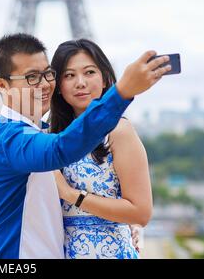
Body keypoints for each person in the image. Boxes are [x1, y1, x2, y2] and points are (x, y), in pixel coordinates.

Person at [0, 33, 171, 259]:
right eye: (32, 77)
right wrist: (122, 93)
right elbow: (60, 149)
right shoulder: (13, 141)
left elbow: (137, 210)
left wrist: (124, 224)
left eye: (47, 75)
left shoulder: (43, 131)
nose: (43, 84)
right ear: (2, 85)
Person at [50, 39, 152, 259]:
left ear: (105, 78)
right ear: (58, 86)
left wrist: (71, 195)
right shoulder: (49, 137)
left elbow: (141, 213)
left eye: (89, 72)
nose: (80, 83)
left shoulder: (118, 131)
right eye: (69, 76)